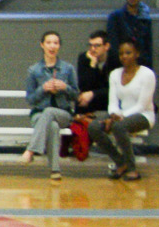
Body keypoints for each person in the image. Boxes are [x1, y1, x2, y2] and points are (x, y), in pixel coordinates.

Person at [20, 30, 78, 182]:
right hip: (39, 114)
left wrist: (65, 87)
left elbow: (76, 95)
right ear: (42, 45)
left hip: (63, 113)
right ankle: (55, 170)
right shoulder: (34, 70)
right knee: (52, 125)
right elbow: (30, 99)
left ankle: (31, 150)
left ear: (59, 46)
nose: (52, 46)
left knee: (51, 112)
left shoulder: (68, 69)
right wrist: (43, 89)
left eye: (55, 43)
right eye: (49, 42)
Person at [101, 39, 155, 181]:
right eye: (121, 54)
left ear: (137, 54)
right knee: (94, 127)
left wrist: (119, 117)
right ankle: (120, 162)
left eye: (128, 53)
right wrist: (113, 114)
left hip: (143, 115)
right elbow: (112, 103)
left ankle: (132, 169)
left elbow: (142, 105)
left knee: (119, 127)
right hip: (120, 116)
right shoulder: (114, 74)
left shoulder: (147, 74)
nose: (124, 56)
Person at [106, 0, 154, 72]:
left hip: (140, 63)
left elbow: (148, 44)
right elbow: (113, 42)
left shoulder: (145, 18)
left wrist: (148, 65)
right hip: (120, 64)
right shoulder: (115, 17)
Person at [74, 30, 113, 119]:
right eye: (90, 45)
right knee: (81, 98)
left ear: (106, 46)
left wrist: (93, 93)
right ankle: (81, 122)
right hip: (89, 101)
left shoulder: (114, 60)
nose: (92, 49)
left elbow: (113, 89)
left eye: (97, 46)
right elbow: (83, 86)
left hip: (108, 99)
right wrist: (92, 65)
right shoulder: (84, 58)